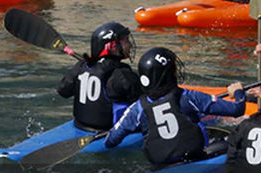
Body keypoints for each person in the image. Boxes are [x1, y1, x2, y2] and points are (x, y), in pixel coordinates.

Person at [106, 47, 247, 165]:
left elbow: (111, 140)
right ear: (167, 75)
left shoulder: (137, 108)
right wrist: (238, 92)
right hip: (195, 161)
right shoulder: (189, 97)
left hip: (160, 168)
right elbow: (237, 109)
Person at [55, 22, 141, 131]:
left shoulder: (81, 66)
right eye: (126, 40)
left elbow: (62, 90)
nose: (130, 45)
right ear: (113, 47)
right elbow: (144, 101)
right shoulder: (121, 74)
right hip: (107, 131)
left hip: (79, 125)